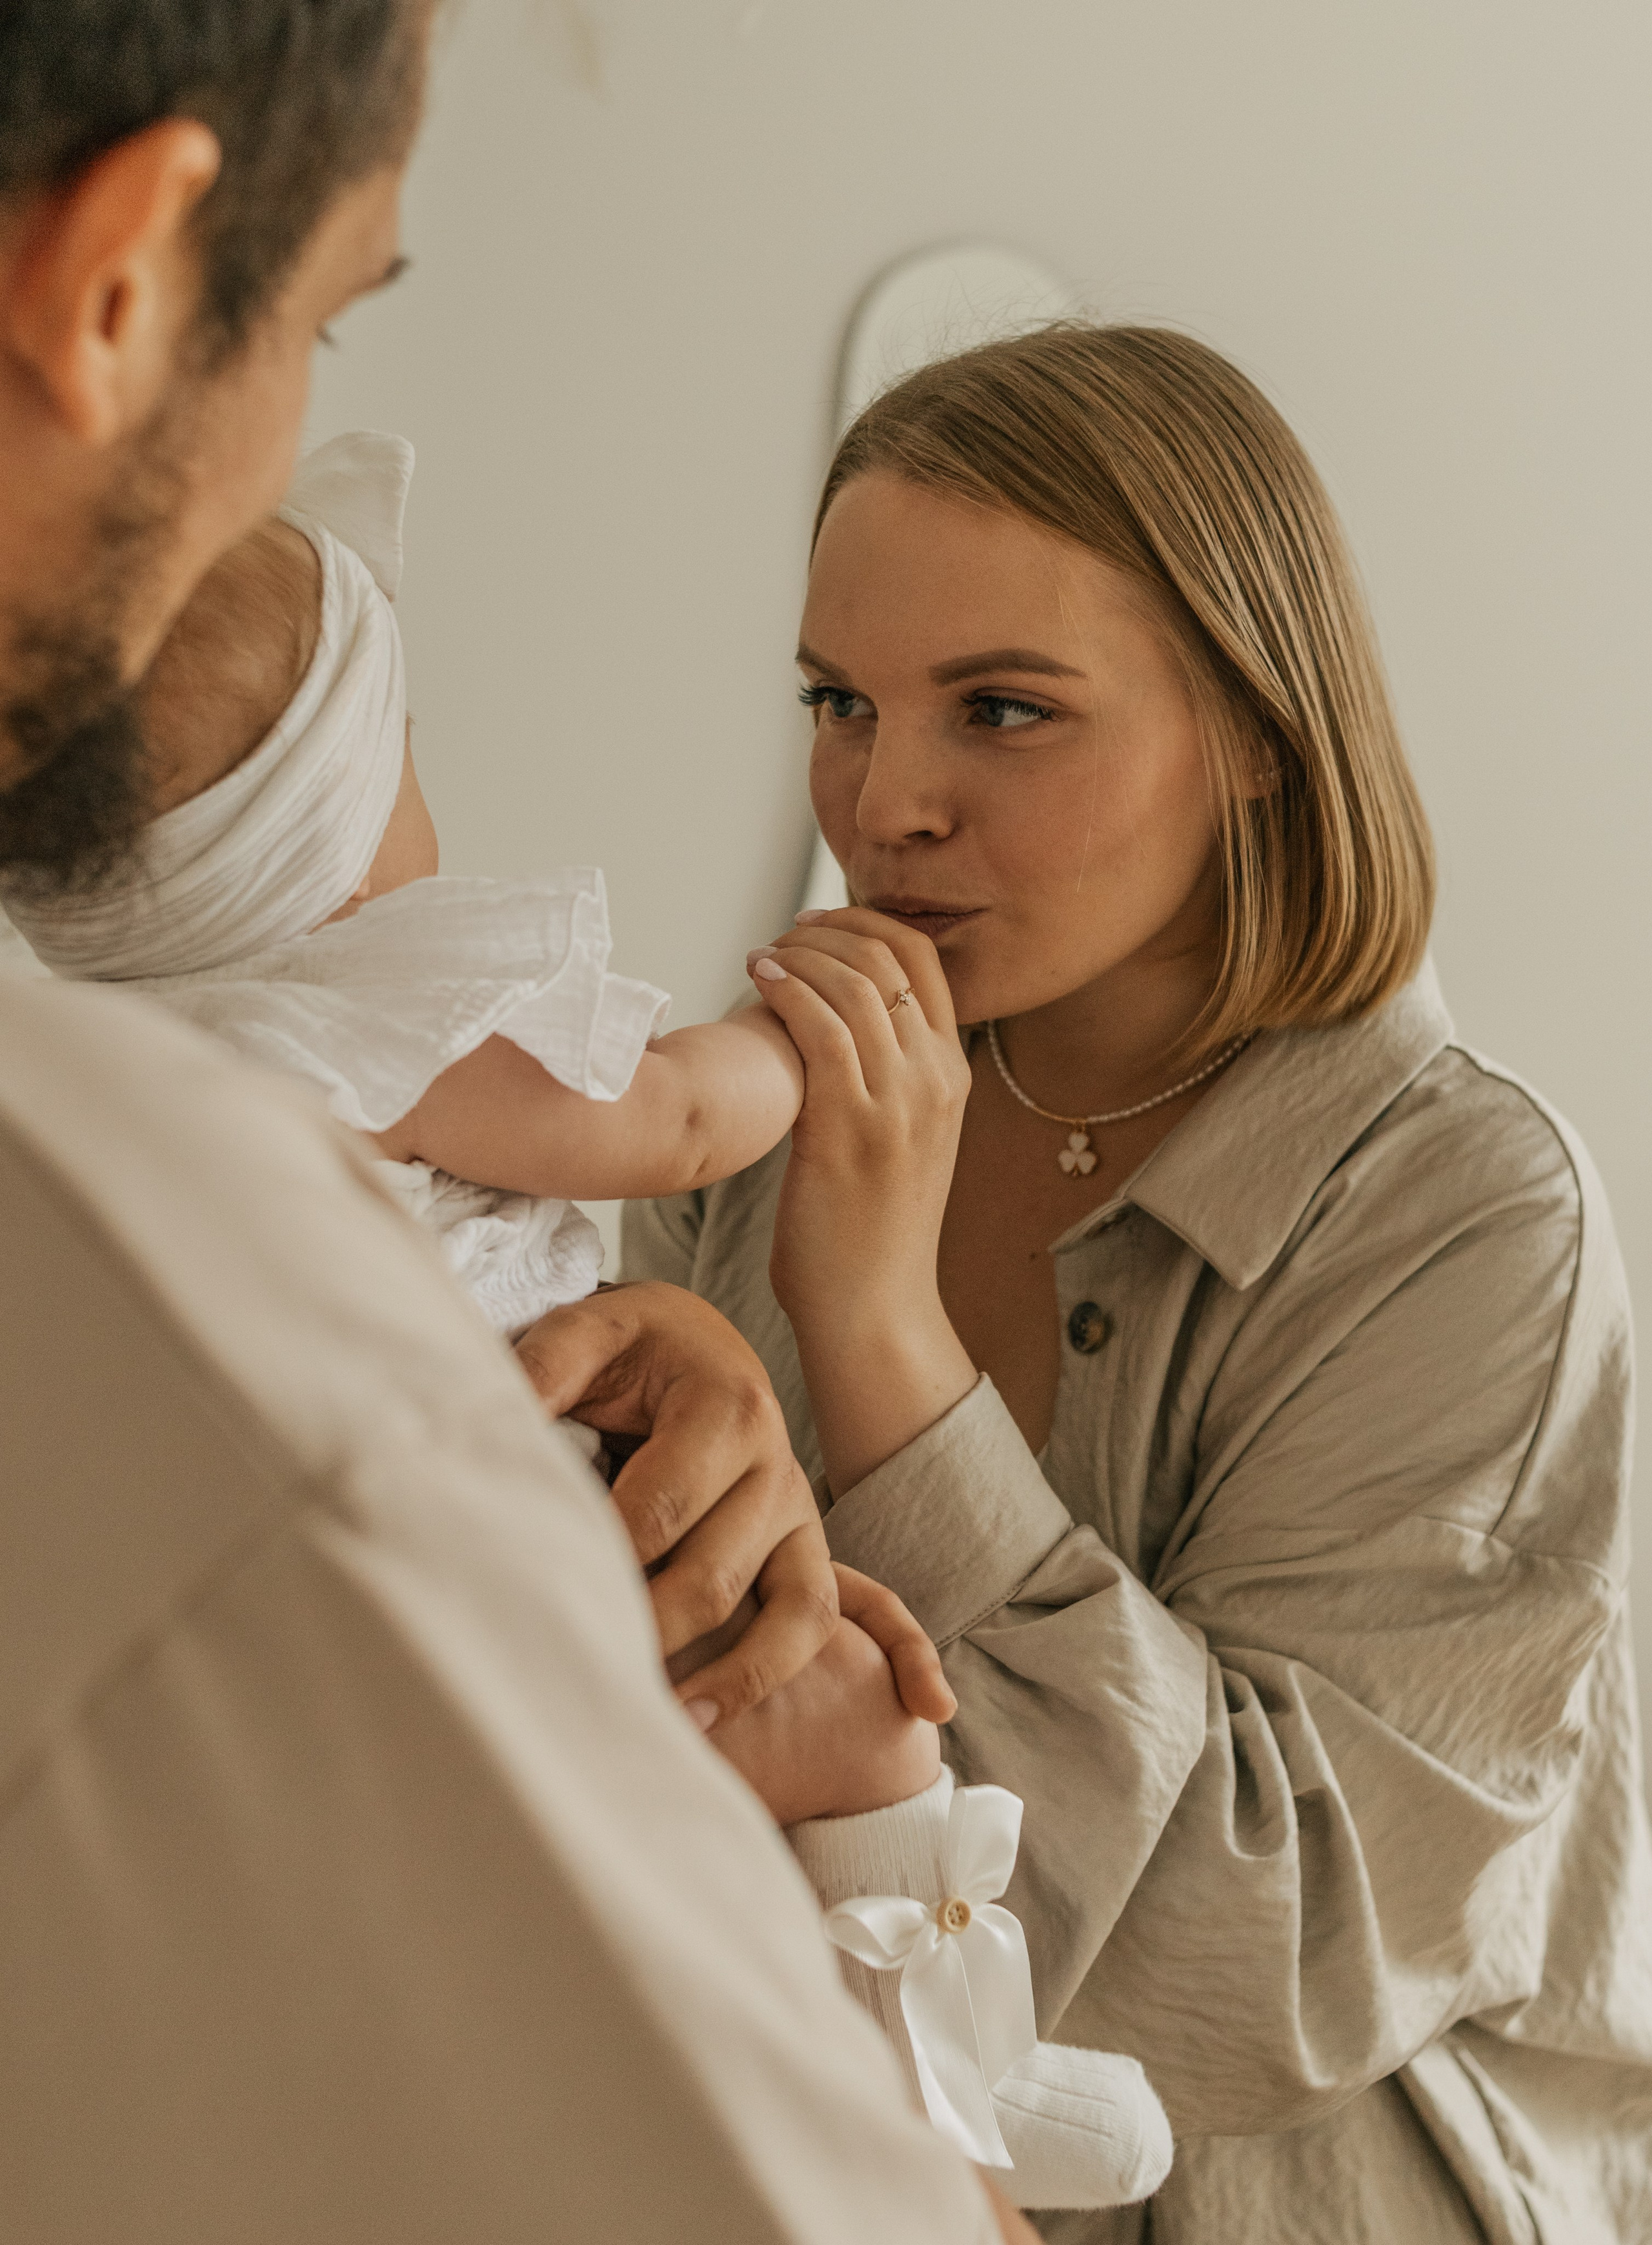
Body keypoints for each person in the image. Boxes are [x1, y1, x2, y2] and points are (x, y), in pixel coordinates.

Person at [0, 6, 1042, 2237]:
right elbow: (672, 1116)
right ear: (116, 283)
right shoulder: (216, 1319)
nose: (892, 794)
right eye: (324, 319)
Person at [627, 321, 1652, 2242]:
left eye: (1001, 710)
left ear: (1255, 729)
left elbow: (1259, 1965)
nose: (884, 802)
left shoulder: (1473, 1211)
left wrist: (875, 1339)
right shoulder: (751, 1111)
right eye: (839, 701)